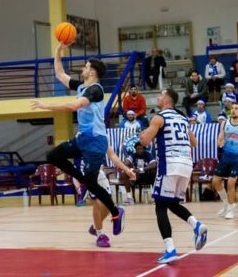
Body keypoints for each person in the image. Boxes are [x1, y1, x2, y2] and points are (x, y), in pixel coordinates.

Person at [31, 42, 125, 236]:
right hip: (83, 139)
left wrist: (46, 106)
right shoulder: (82, 86)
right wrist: (58, 50)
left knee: (92, 183)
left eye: (86, 66)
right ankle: (83, 183)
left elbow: (74, 106)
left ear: (92, 72)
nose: (83, 69)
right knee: (53, 156)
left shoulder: (95, 90)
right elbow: (60, 74)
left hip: (96, 141)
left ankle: (116, 213)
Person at [139, 89, 208, 264]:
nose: (157, 97)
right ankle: (196, 225)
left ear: (167, 99)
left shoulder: (159, 117)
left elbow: (144, 141)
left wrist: (141, 134)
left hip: (169, 164)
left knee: (160, 206)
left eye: (160, 95)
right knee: (172, 203)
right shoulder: (183, 118)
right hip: (186, 164)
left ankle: (170, 249)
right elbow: (194, 142)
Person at [86, 145, 136, 247]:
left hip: (99, 172)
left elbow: (112, 156)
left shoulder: (103, 138)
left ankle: (95, 227)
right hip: (86, 173)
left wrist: (126, 169)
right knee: (96, 203)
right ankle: (100, 235)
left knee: (108, 204)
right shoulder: (82, 137)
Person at [120, 140, 156, 205]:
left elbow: (154, 164)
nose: (139, 151)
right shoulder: (133, 155)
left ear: (144, 149)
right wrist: (132, 169)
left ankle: (154, 197)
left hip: (146, 176)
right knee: (125, 173)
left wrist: (142, 169)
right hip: (136, 176)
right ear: (135, 150)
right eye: (137, 149)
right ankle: (129, 198)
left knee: (154, 172)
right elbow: (126, 163)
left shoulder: (148, 155)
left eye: (141, 149)